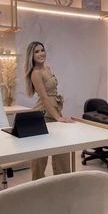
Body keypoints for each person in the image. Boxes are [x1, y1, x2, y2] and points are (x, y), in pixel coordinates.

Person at [24, 41, 73, 180]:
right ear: (31, 56)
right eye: (37, 52)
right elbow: (45, 98)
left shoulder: (48, 68)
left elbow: (52, 94)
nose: (41, 54)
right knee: (40, 155)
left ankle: (63, 181)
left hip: (54, 111)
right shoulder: (36, 73)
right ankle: (37, 184)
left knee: (62, 149)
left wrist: (59, 115)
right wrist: (58, 117)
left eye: (42, 50)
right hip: (43, 115)